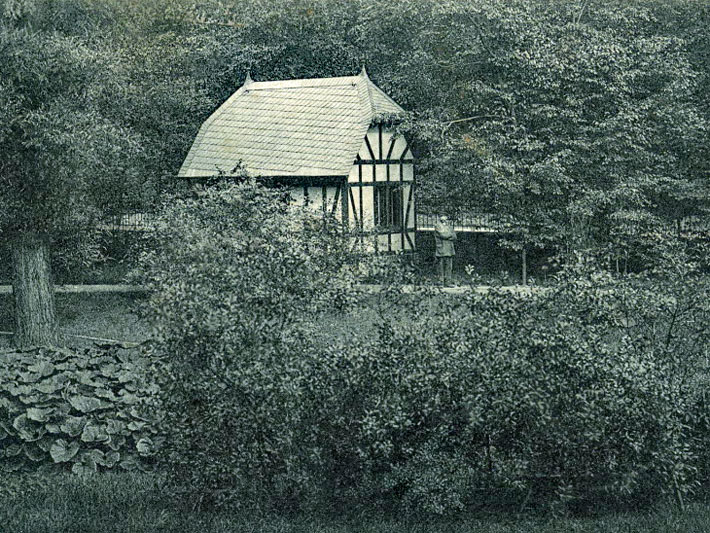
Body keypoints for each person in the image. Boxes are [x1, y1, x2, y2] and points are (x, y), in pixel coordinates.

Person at [434, 215, 456, 284]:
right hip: (442, 249)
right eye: (443, 217)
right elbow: (443, 235)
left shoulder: (449, 226)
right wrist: (450, 234)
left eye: (446, 217)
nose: (445, 219)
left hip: (449, 249)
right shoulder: (438, 226)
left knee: (449, 266)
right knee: (441, 265)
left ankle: (448, 281)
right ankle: (440, 281)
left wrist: (449, 235)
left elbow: (455, 237)